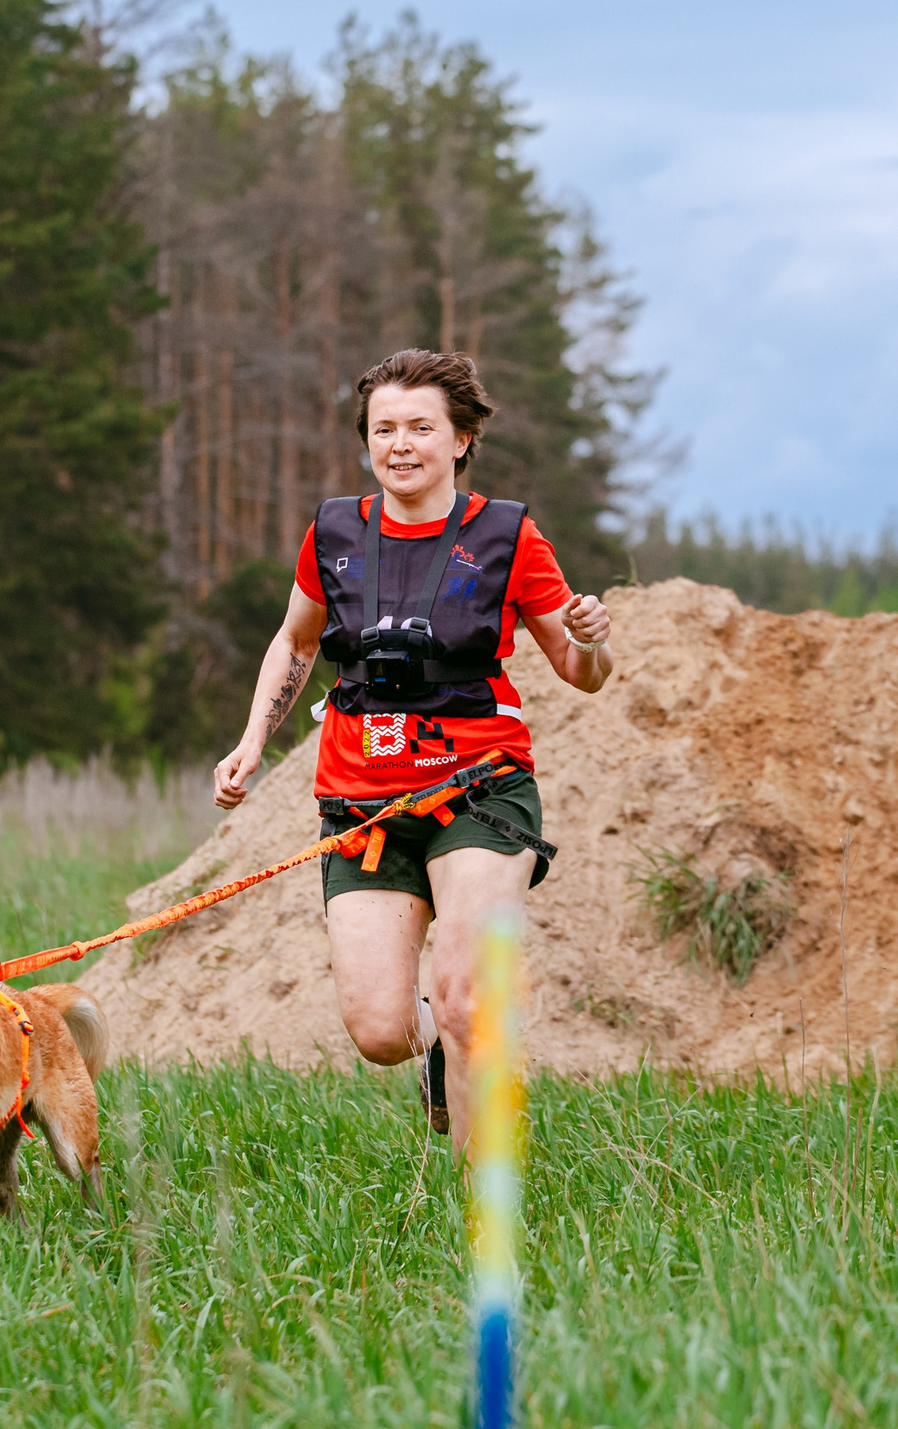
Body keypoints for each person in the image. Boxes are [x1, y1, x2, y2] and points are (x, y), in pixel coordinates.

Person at [211, 349, 614, 1146]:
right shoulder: (334, 531)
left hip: (480, 788)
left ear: (460, 439)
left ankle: (475, 1200)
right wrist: (254, 738)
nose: (399, 444)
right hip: (362, 801)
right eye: (382, 428)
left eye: (420, 427)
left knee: (466, 999)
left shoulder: (508, 534)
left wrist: (592, 640)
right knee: (379, 1030)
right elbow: (295, 641)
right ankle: (436, 1057)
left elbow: (580, 671)